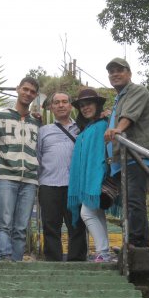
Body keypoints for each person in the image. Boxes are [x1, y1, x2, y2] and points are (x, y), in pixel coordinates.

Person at [0, 77, 41, 261]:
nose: (28, 93)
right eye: (25, 89)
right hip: (5, 177)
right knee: (5, 222)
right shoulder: (1, 116)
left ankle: (16, 262)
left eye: (32, 92)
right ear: (18, 89)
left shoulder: (36, 123)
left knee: (21, 226)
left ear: (36, 95)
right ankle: (3, 258)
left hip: (30, 180)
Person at [104, 58, 149, 248]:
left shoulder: (137, 90)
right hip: (121, 160)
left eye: (120, 70)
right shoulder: (119, 98)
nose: (115, 74)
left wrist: (118, 129)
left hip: (136, 157)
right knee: (129, 203)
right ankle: (138, 243)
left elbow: (129, 117)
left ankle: (137, 244)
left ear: (129, 73)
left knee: (134, 201)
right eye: (111, 72)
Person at [36, 92, 88, 262]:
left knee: (77, 225)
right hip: (49, 184)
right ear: (51, 108)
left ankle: (77, 261)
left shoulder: (82, 129)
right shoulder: (43, 131)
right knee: (51, 226)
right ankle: (53, 261)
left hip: (75, 186)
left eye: (65, 101)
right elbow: (37, 157)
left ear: (71, 106)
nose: (60, 105)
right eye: (56, 102)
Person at [67, 88, 112, 262]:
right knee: (97, 213)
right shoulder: (86, 129)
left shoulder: (104, 124)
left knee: (87, 213)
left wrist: (108, 116)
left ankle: (103, 251)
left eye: (89, 104)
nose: (85, 108)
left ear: (98, 105)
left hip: (97, 176)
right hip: (89, 178)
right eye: (82, 106)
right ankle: (105, 251)